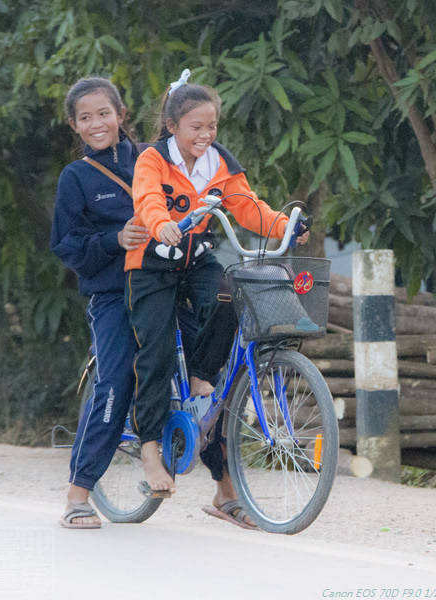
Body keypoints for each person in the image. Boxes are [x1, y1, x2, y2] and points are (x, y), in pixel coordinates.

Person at [125, 70, 307, 528]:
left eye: (211, 127)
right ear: (172, 126)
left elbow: (248, 205)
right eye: (196, 128)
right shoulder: (152, 158)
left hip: (195, 261)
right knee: (157, 353)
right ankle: (150, 452)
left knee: (232, 293)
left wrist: (284, 227)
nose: (205, 136)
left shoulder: (219, 163)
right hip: (151, 266)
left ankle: (204, 377)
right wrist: (160, 220)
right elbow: (146, 197)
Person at [51, 77, 151, 528]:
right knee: (114, 381)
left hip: (164, 285)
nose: (97, 124)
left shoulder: (153, 161)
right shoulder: (76, 177)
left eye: (104, 114)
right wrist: (114, 239)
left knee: (210, 371)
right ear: (75, 125)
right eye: (86, 117)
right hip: (113, 294)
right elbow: (66, 244)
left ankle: (227, 492)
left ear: (121, 114)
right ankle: (78, 495)